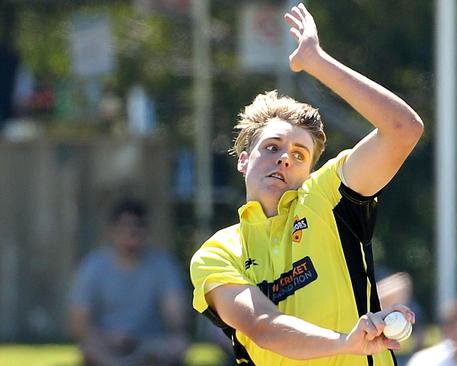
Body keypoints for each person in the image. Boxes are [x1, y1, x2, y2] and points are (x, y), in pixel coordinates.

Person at [189, 3, 423, 365]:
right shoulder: (218, 252)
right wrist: (347, 342)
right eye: (271, 147)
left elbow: (403, 130)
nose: (284, 158)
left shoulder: (327, 195)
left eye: (300, 154)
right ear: (243, 159)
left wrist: (315, 61)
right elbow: (262, 327)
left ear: (310, 170)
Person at [69, 198, 189, 366]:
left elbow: (176, 318)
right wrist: (107, 337)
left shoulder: (163, 265)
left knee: (177, 346)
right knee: (90, 347)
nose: (131, 233)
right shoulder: (93, 266)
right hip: (107, 342)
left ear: (147, 230)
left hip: (150, 343)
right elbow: (79, 322)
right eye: (124, 227)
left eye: (138, 226)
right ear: (112, 231)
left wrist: (173, 330)